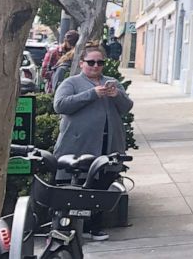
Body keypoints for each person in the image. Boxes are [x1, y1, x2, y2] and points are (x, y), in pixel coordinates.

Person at [53, 46, 134, 242]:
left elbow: (127, 107)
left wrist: (117, 95)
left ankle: (95, 226)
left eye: (100, 62)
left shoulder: (111, 83)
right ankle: (71, 227)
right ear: (81, 63)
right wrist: (92, 94)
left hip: (108, 144)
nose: (96, 66)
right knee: (79, 186)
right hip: (79, 146)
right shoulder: (71, 82)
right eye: (91, 62)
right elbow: (60, 105)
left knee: (101, 187)